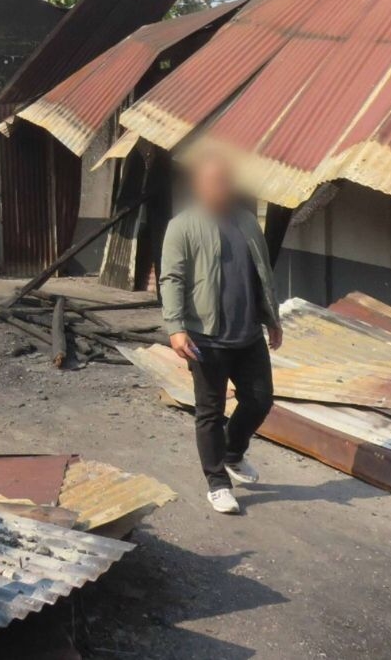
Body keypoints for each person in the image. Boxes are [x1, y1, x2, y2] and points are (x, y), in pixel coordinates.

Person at [160, 153, 282, 515]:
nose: (220, 188)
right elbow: (172, 279)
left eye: (225, 180)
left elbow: (262, 274)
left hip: (248, 334)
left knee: (260, 399)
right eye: (212, 181)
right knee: (209, 411)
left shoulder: (246, 222)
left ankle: (232, 451)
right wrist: (176, 327)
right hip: (206, 337)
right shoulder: (183, 225)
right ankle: (217, 482)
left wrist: (272, 318)